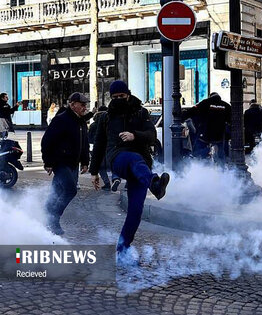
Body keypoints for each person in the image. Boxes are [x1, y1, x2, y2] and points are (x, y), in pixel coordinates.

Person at [90, 81, 169, 255]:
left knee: (135, 211)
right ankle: (155, 184)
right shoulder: (105, 117)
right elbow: (99, 144)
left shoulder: (141, 112)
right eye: (115, 97)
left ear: (128, 94)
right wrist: (94, 171)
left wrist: (135, 136)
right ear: (111, 97)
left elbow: (152, 136)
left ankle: (123, 248)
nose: (118, 99)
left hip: (142, 166)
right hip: (118, 157)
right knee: (132, 158)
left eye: (122, 96)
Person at [41, 92, 90, 235]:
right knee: (70, 190)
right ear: (72, 104)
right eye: (82, 104)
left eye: (85, 105)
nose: (84, 107)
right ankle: (53, 220)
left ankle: (45, 215)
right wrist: (48, 162)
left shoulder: (81, 121)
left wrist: (85, 161)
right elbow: (47, 141)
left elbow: (84, 143)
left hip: (73, 164)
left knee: (56, 192)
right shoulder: (61, 119)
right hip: (60, 162)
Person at [184, 92, 232, 163]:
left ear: (210, 97)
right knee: (221, 152)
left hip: (206, 134)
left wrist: (183, 116)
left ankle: (201, 164)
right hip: (219, 135)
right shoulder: (226, 105)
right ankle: (222, 167)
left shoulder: (205, 103)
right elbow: (231, 120)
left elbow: (193, 110)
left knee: (199, 150)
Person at [88, 106, 111, 190]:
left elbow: (89, 137)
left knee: (101, 167)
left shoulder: (93, 125)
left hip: (96, 147)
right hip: (108, 147)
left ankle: (107, 183)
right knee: (112, 165)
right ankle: (116, 179)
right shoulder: (109, 123)